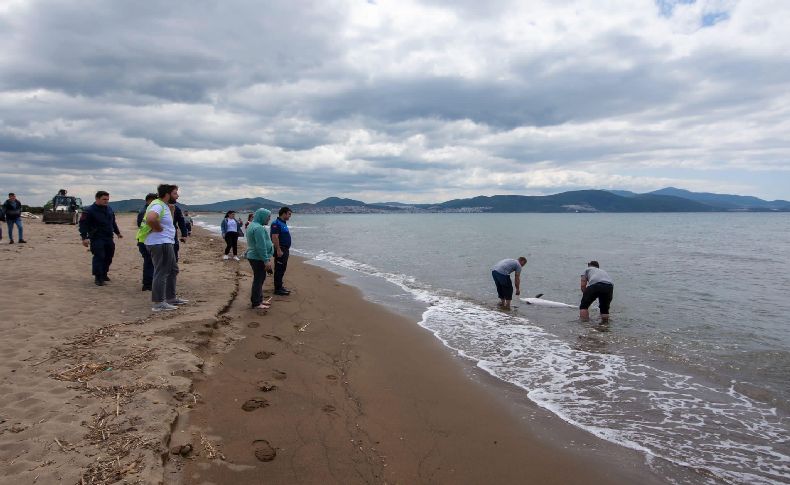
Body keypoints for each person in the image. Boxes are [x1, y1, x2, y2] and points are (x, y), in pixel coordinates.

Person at [140, 184, 187, 312]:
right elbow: (150, 218)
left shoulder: (164, 205)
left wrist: (171, 211)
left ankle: (171, 298)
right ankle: (159, 303)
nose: (178, 196)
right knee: (162, 271)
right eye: (175, 193)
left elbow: (167, 222)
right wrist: (157, 228)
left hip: (165, 242)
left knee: (172, 270)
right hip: (160, 243)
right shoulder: (158, 204)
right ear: (167, 194)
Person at [78, 191, 123, 286]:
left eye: (107, 199)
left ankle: (104, 274)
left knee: (109, 256)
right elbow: (83, 225)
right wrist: (84, 238)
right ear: (97, 199)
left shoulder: (109, 209)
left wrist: (118, 232)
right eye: (104, 199)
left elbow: (113, 222)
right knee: (99, 256)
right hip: (96, 237)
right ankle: (98, 277)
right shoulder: (89, 210)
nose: (106, 201)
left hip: (108, 237)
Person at [246, 208, 274, 310]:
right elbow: (260, 246)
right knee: (258, 279)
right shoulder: (258, 228)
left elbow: (251, 242)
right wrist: (266, 261)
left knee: (260, 278)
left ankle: (259, 299)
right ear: (262, 216)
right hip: (257, 258)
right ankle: (256, 303)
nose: (269, 219)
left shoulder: (252, 225)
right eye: (268, 217)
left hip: (254, 256)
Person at [136, 193, 157, 291]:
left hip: (144, 239)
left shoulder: (146, 210)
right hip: (145, 240)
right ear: (148, 201)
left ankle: (148, 283)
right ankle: (147, 284)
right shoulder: (145, 211)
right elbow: (143, 226)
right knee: (149, 261)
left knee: (149, 261)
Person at [271, 207, 293, 295]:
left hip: (285, 249)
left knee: (282, 269)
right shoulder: (276, 223)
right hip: (281, 249)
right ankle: (277, 289)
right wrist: (278, 250)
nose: (290, 216)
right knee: (279, 269)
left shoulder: (283, 223)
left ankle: (280, 286)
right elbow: (274, 237)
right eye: (289, 214)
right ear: (283, 213)